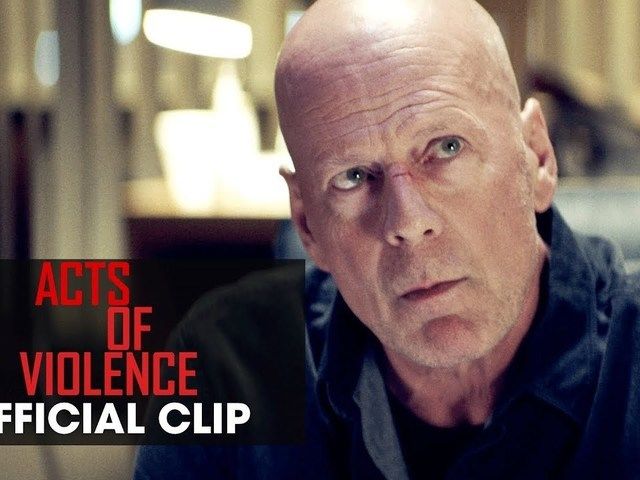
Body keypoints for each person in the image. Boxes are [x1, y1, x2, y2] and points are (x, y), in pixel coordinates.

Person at [134, 0, 640, 478]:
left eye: (447, 147)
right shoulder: (226, 376)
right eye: (353, 177)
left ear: (537, 158)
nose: (408, 222)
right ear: (307, 224)